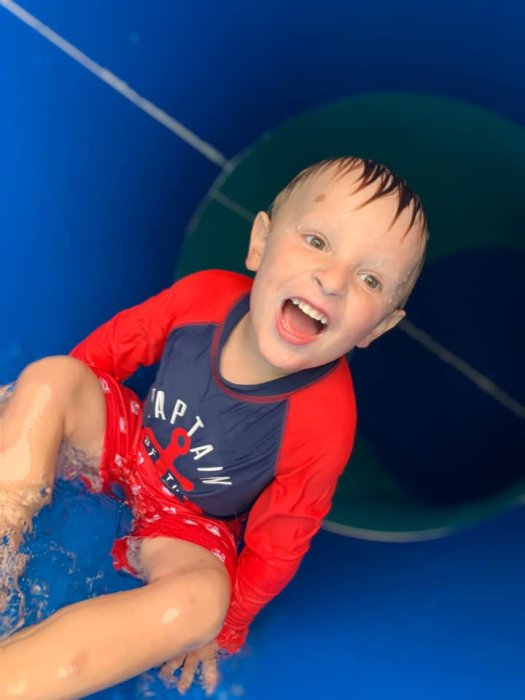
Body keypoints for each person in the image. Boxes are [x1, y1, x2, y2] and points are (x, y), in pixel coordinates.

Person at [0, 156, 428, 698]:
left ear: (381, 327)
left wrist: (226, 629)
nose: (334, 280)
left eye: (370, 279)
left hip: (189, 522)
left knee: (200, 602)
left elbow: (278, 542)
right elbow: (106, 355)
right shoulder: (202, 298)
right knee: (53, 378)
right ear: (260, 244)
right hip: (128, 443)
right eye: (317, 242)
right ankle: (3, 537)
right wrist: (46, 418)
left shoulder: (325, 423)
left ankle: (15, 679)